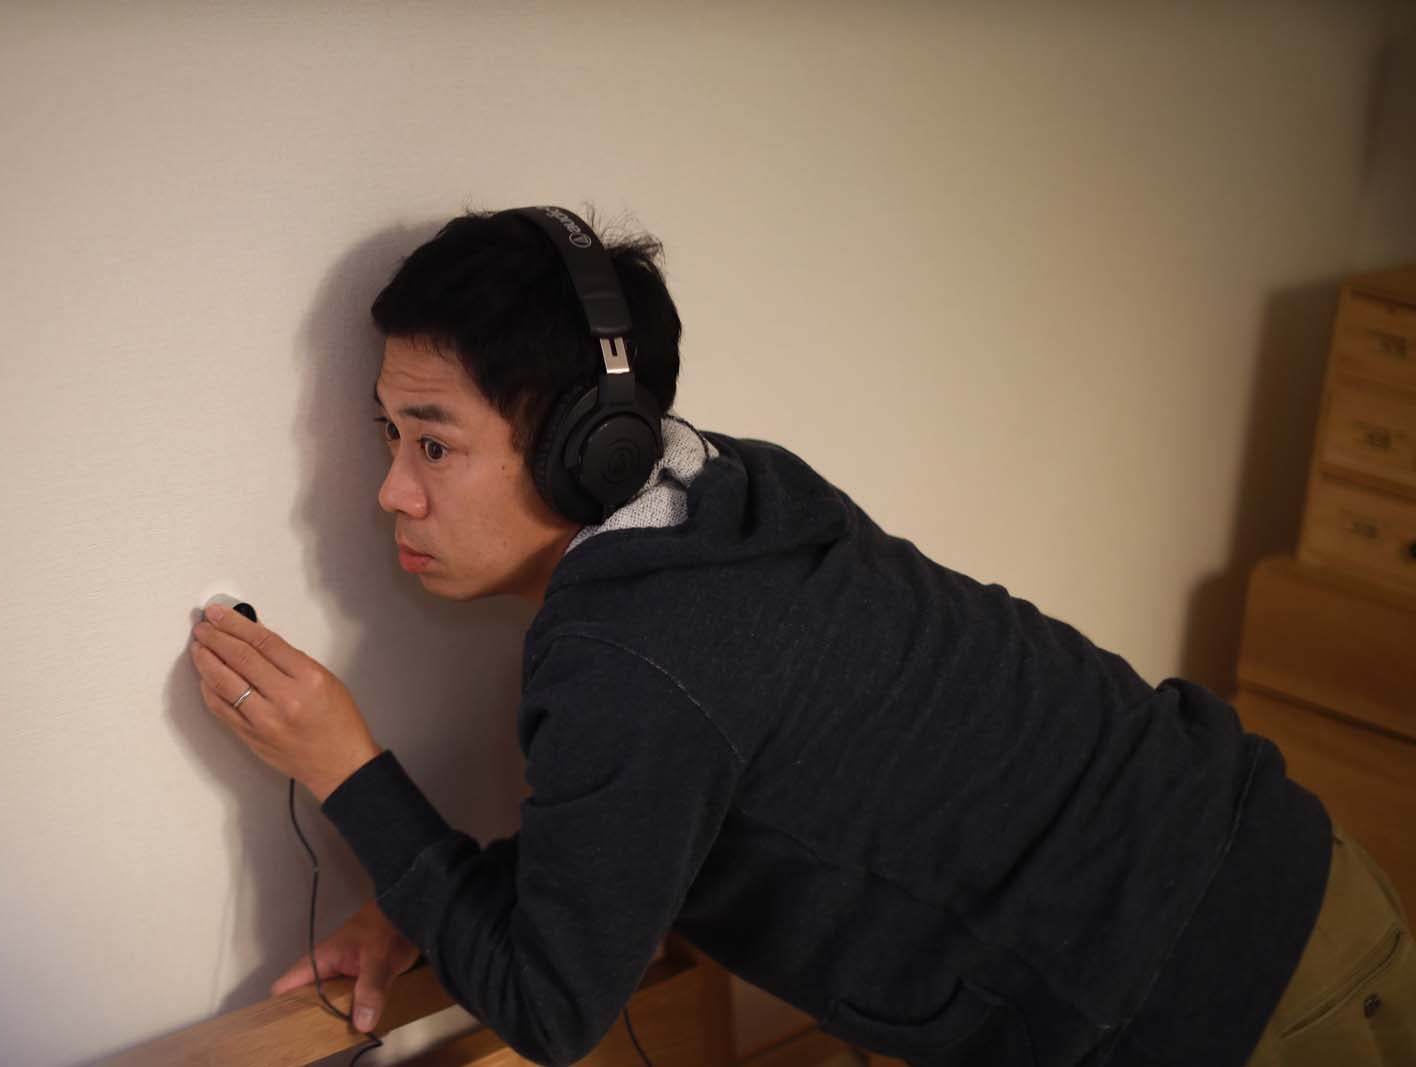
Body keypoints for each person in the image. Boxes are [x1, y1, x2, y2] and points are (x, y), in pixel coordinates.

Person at [187, 207, 1416, 1066]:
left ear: (586, 447)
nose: (391, 491)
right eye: (388, 434)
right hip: (1309, 878)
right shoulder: (732, 491)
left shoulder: (628, 653)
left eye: (434, 442)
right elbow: (674, 792)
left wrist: (346, 768)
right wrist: (451, 890)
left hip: (1223, 1008)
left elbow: (554, 1011)